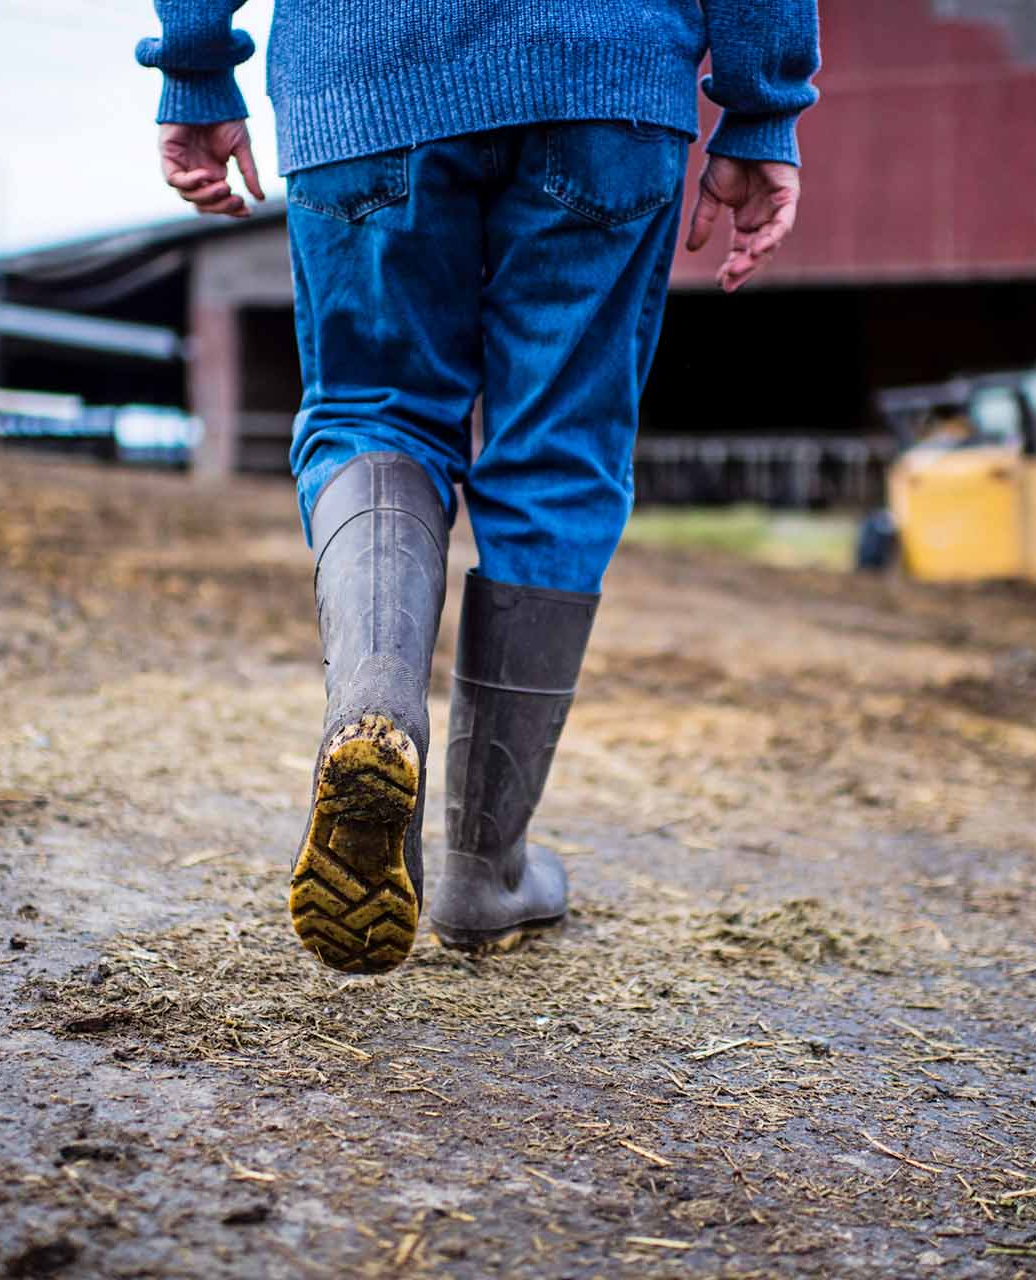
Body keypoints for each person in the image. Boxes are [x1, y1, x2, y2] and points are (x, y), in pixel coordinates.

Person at [137, 1, 820, 974]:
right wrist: (762, 103)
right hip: (606, 71)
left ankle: (374, 708)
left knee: (376, 412)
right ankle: (483, 868)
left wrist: (196, 57)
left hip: (365, 68)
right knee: (558, 447)